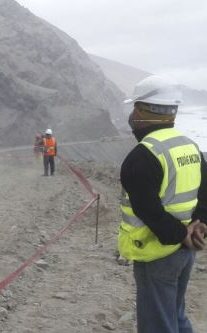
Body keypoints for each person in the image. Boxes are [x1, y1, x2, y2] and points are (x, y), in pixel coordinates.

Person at [118, 75, 207, 333]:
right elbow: (204, 189)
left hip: (156, 251)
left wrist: (182, 235)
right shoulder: (189, 145)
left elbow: (148, 209)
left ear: (144, 110)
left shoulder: (143, 155)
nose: (132, 114)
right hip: (185, 252)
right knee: (175, 315)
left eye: (135, 107)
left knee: (157, 323)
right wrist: (199, 226)